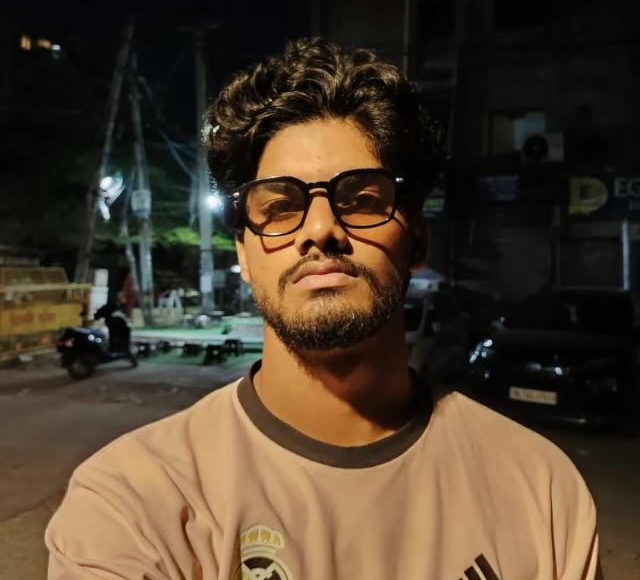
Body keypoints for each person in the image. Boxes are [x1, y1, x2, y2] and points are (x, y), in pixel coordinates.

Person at [46, 39, 600, 579]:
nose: (320, 228)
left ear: (417, 241)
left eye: (362, 200)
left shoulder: (541, 491)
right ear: (245, 253)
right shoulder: (134, 506)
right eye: (280, 207)